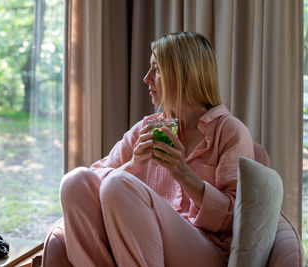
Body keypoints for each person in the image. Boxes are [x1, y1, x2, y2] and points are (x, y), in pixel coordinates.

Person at [41, 32, 254, 267]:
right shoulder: (148, 127)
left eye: (157, 69)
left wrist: (183, 173)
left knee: (117, 183)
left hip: (206, 250)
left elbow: (235, 218)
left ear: (185, 75)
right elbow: (94, 175)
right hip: (147, 245)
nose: (146, 78)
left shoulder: (230, 132)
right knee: (75, 180)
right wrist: (132, 166)